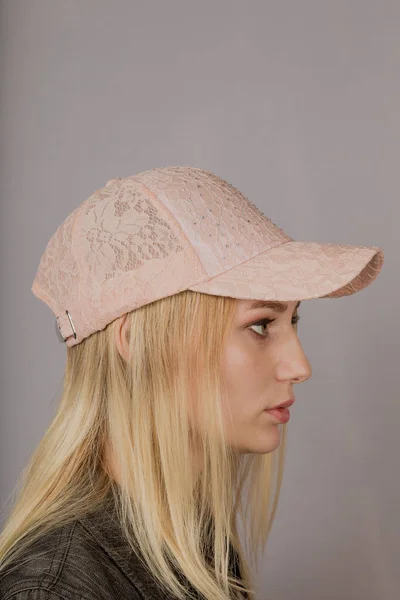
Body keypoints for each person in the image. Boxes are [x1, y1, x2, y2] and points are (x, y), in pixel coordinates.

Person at [0, 166, 384, 600]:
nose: (299, 365)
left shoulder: (198, 549)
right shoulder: (56, 589)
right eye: (261, 325)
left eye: (291, 320)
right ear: (138, 342)